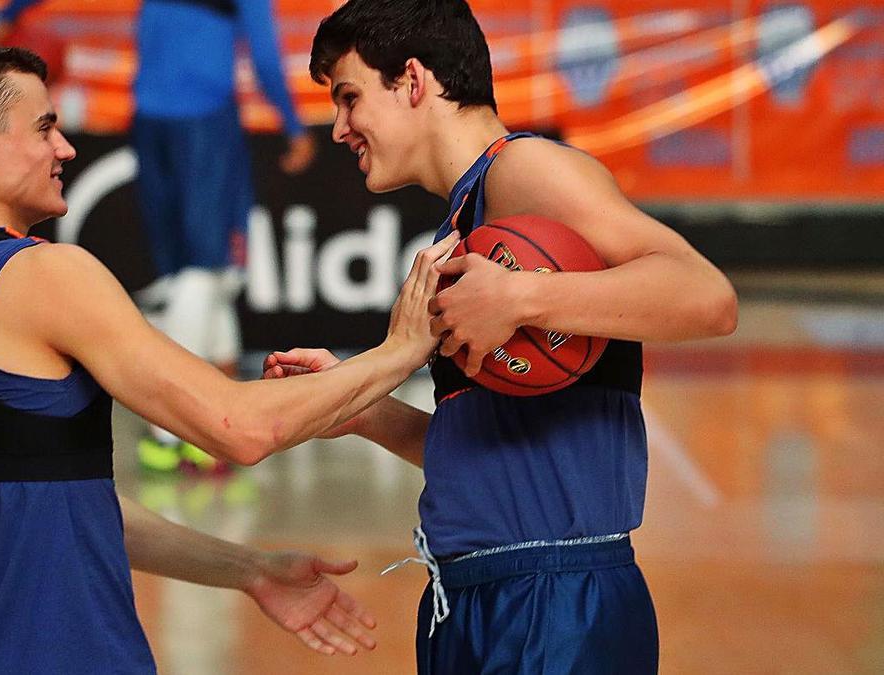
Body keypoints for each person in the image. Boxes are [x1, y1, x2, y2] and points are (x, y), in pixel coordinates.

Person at [0, 41, 457, 673]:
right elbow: (240, 426)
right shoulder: (44, 276)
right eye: (44, 128)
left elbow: (65, 501)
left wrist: (247, 569)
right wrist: (399, 352)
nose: (65, 147)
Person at [264, 1, 740, 672]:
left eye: (349, 97)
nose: (339, 127)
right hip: (474, 599)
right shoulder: (460, 223)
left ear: (412, 81)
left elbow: (707, 296)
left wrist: (524, 294)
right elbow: (495, 458)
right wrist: (361, 410)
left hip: (555, 600)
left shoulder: (524, 171)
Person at [0, 0, 317, 474]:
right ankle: (177, 434)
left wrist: (10, 10)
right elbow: (265, 55)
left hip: (149, 117)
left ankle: (225, 403)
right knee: (203, 273)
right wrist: (292, 124)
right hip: (205, 122)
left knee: (198, 276)